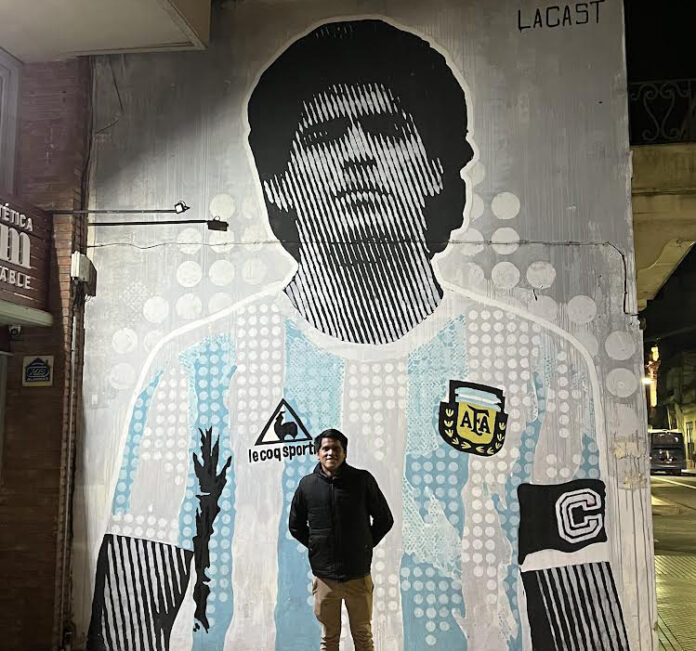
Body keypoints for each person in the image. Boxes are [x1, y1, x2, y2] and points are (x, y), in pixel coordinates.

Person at [85, 18, 625, 651]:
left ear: (436, 166)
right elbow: (132, 599)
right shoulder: (195, 369)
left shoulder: (537, 363)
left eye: (389, 129)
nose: (357, 153)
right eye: (322, 136)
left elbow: (574, 593)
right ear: (280, 183)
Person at [289, 429, 394, 651]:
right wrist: (318, 547)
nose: (331, 453)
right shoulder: (307, 485)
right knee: (329, 638)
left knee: (363, 636)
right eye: (325, 448)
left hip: (358, 576)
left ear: (344, 453)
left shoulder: (362, 480)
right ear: (317, 453)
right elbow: (295, 526)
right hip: (325, 578)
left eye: (336, 448)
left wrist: (363, 545)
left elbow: (384, 519)